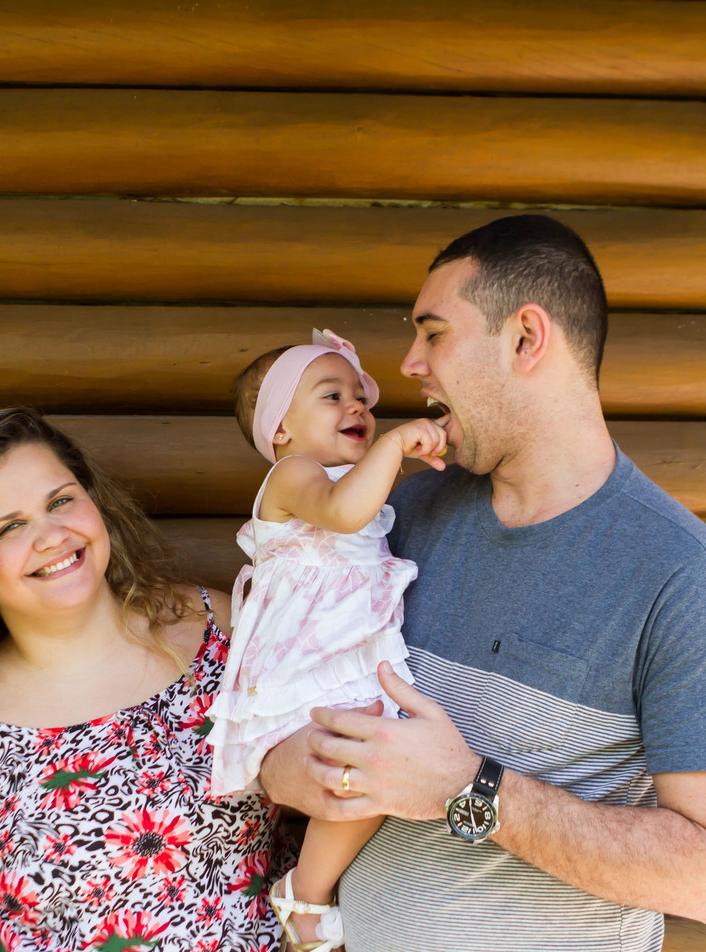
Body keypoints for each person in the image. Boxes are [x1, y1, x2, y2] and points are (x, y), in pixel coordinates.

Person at [260, 214, 706, 952]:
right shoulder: (392, 520)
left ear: (527, 339)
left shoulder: (685, 579)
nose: (408, 364)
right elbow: (280, 712)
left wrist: (469, 791)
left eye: (434, 333)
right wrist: (289, 766)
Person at [0, 407, 293, 952]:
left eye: (60, 501)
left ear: (93, 502)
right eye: (10, 527)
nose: (52, 536)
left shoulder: (219, 630)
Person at [208, 329, 446, 951]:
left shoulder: (342, 475)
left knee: (372, 768)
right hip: (313, 655)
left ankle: (309, 892)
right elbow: (344, 513)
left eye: (361, 397)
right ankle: (306, 893)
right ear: (280, 430)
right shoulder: (294, 474)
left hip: (348, 646)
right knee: (366, 763)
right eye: (331, 395)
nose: (357, 407)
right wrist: (394, 445)